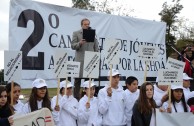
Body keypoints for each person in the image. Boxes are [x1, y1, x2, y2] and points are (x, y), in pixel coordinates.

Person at [71, 18, 99, 100]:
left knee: (89, 81)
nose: (87, 26)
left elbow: (96, 47)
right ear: (81, 25)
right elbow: (73, 46)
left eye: (88, 24)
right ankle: (75, 98)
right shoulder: (76, 33)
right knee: (77, 81)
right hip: (80, 60)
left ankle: (87, 97)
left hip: (90, 61)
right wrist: (80, 43)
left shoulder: (93, 33)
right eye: (85, 24)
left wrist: (95, 57)